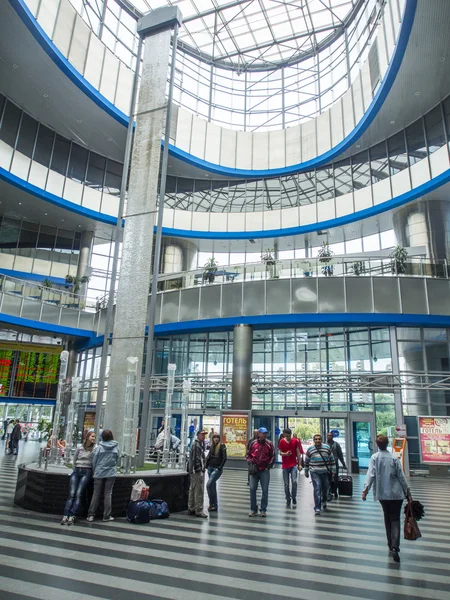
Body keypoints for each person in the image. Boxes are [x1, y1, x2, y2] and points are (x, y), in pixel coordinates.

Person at [362, 435, 410, 563]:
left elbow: (370, 475)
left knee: (387, 517)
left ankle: (390, 543)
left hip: (383, 494)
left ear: (377, 445)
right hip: (396, 494)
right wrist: (407, 491)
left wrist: (365, 490)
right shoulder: (394, 458)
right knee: (395, 519)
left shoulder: (375, 458)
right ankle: (395, 546)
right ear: (388, 443)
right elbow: (401, 476)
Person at [61, 431, 96, 525]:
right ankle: (65, 515)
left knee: (78, 494)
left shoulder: (95, 448)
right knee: (71, 494)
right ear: (88, 437)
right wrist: (75, 469)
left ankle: (72, 515)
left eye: (94, 437)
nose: (93, 438)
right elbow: (75, 458)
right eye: (92, 436)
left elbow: (94, 461)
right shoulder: (80, 447)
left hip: (87, 471)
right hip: (77, 470)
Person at [86, 429, 119, 523]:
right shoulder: (116, 448)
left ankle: (91, 515)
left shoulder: (99, 448)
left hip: (99, 473)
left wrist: (95, 470)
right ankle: (106, 516)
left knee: (96, 494)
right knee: (108, 494)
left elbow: (94, 460)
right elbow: (117, 459)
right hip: (111, 473)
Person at [304, 434, 335, 516]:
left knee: (325, 488)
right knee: (317, 487)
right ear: (314, 440)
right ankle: (317, 507)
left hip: (325, 472)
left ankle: (324, 500)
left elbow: (332, 459)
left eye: (319, 439)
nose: (317, 440)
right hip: (314, 471)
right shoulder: (310, 449)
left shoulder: (327, 448)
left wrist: (333, 470)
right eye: (316, 439)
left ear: (321, 440)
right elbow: (306, 461)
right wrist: (306, 471)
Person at [246, 427, 274, 517]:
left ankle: (263, 509)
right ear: (259, 434)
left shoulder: (269, 444)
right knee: (252, 489)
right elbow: (248, 454)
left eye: (266, 433)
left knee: (265, 490)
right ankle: (253, 509)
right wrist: (250, 462)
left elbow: (272, 456)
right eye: (263, 433)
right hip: (254, 470)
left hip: (264, 470)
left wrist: (268, 466)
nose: (265, 435)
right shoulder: (253, 443)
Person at [278, 428, 304, 508]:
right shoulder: (282, 441)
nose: (289, 437)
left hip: (293, 464)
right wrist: (285, 454)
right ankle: (288, 498)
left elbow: (298, 452)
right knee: (286, 484)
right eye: (287, 436)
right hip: (285, 465)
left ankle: (294, 497)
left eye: (290, 435)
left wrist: (299, 464)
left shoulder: (295, 441)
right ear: (284, 435)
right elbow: (280, 452)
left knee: (294, 481)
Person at [188, 428, 208, 518]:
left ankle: (191, 508)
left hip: (193, 470)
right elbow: (196, 458)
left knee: (192, 489)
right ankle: (199, 510)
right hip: (196, 470)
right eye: (202, 435)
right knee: (198, 490)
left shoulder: (197, 444)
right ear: (198, 435)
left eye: (204, 435)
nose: (204, 436)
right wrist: (199, 469)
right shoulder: (197, 445)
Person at [205, 433, 227, 512]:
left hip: (216, 469)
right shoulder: (211, 446)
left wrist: (220, 467)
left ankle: (212, 503)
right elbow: (208, 456)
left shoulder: (222, 446)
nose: (216, 439)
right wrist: (206, 466)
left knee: (208, 485)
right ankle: (214, 505)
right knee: (212, 487)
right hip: (210, 468)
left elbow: (224, 458)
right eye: (215, 437)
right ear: (212, 438)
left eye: (217, 437)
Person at [326, 432, 347, 500]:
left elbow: (340, 455)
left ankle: (334, 491)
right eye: (328, 435)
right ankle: (329, 492)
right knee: (328, 478)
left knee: (335, 478)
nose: (329, 437)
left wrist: (343, 464)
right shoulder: (324, 444)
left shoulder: (336, 445)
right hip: (326, 464)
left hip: (335, 463)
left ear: (332, 437)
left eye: (330, 436)